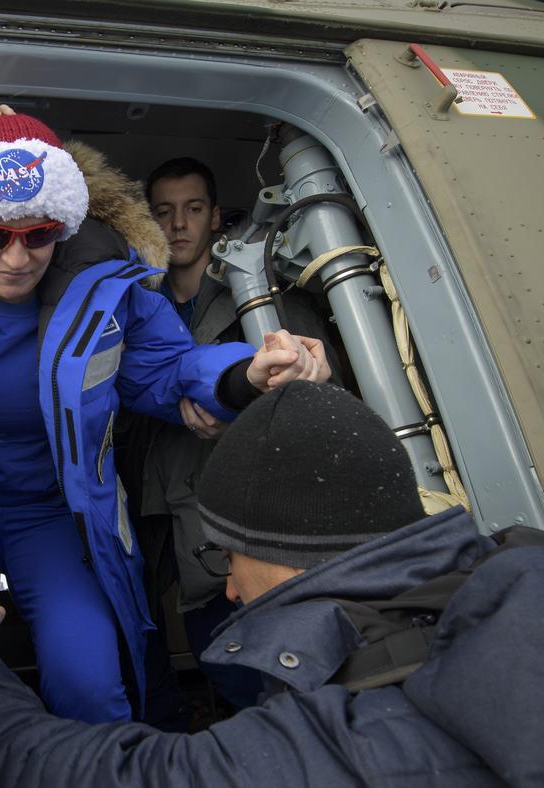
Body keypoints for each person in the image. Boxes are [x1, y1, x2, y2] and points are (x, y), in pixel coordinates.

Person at [0, 100, 331, 767]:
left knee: (92, 679)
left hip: (54, 514)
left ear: (64, 225)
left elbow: (165, 368)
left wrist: (248, 372)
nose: (17, 257)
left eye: (39, 234)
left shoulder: (103, 279)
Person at [0, 380, 544, 787]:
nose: (231, 589)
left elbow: (72, 774)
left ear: (285, 552)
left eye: (228, 555)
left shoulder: (338, 754)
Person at [128, 157, 347, 713]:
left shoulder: (270, 301)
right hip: (153, 515)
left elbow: (324, 397)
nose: (178, 225)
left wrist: (237, 404)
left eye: (193, 209)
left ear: (216, 217)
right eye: (163, 212)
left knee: (261, 676)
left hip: (249, 516)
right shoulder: (129, 307)